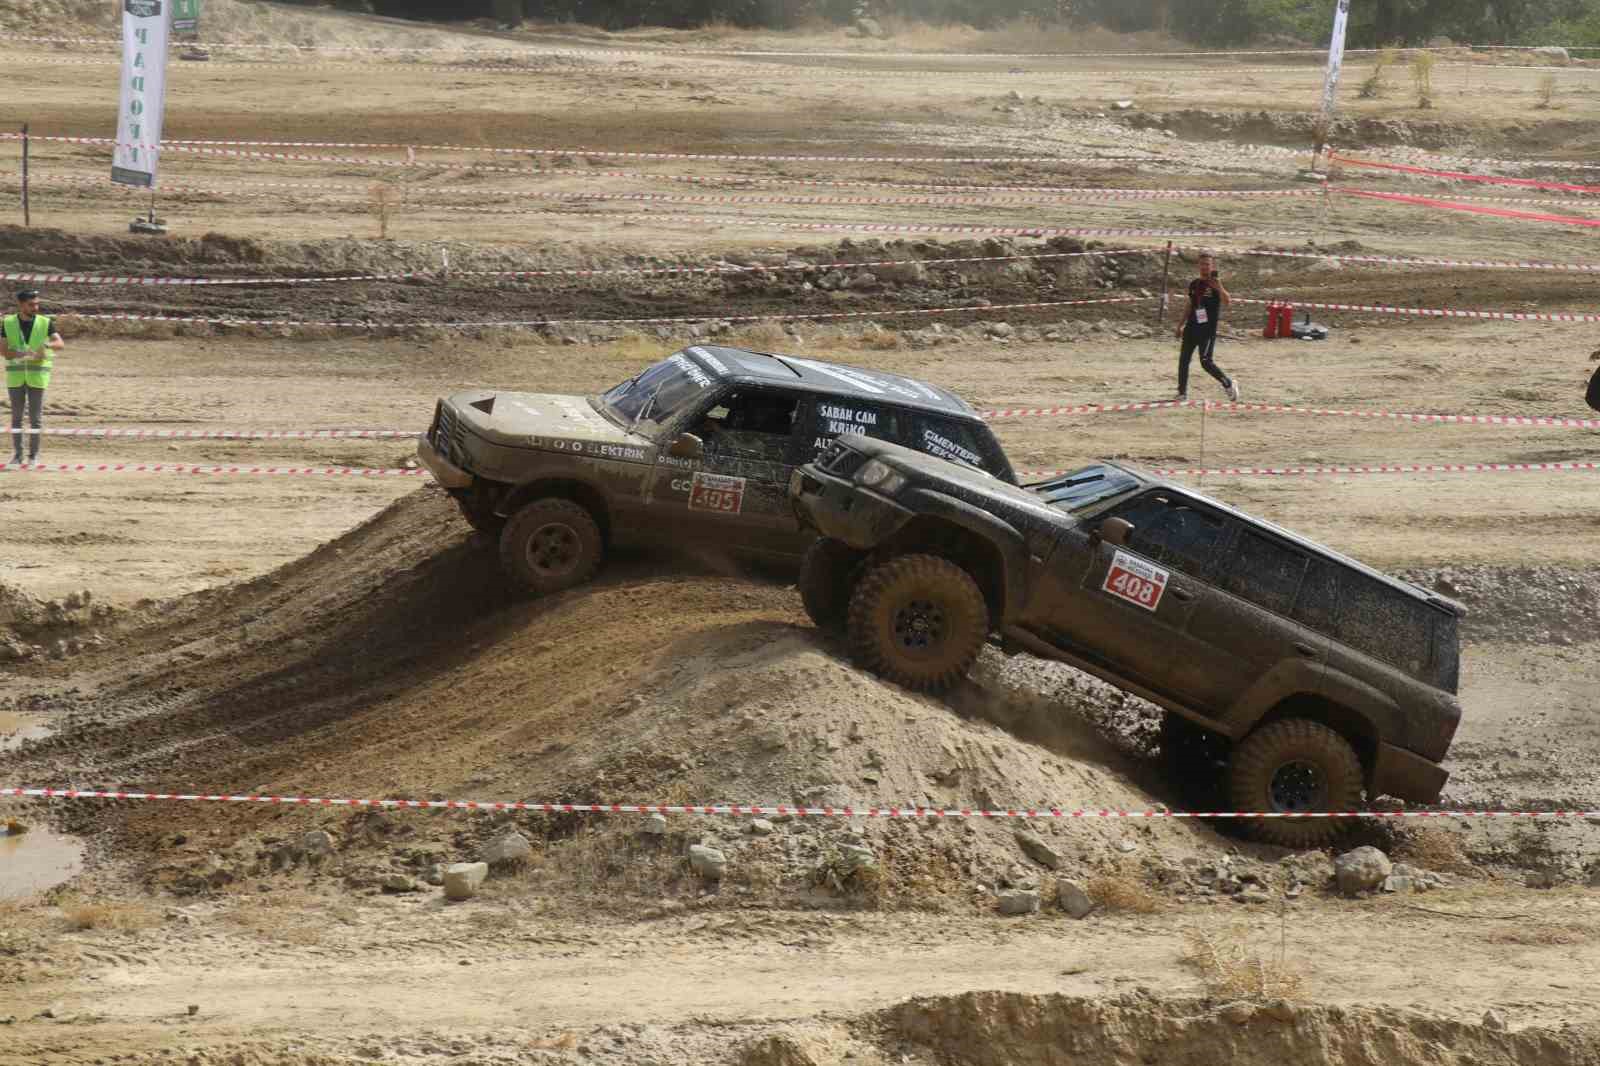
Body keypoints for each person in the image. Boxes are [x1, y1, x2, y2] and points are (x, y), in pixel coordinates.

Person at [3, 289, 64, 466]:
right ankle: (17, 456)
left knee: (36, 419)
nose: (35, 307)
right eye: (31, 304)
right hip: (16, 378)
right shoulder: (7, 323)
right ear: (21, 305)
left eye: (37, 304)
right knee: (16, 418)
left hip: (38, 378)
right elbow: (3, 351)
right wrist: (21, 353)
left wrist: (46, 344)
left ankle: (34, 456)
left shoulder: (45, 322)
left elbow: (59, 343)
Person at [1174, 253, 1240, 403]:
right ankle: (1182, 392)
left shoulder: (1216, 285)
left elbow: (1227, 301)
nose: (1205, 267)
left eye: (1207, 264)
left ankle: (1228, 383)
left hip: (1207, 330)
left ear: (1212, 266)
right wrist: (1180, 325)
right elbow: (1190, 305)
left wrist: (1219, 286)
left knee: (1205, 361)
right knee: (1184, 359)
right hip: (1192, 327)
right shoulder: (1194, 284)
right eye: (1202, 264)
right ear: (1199, 265)